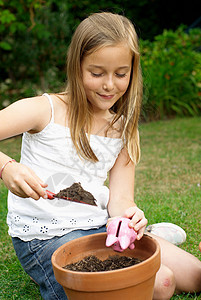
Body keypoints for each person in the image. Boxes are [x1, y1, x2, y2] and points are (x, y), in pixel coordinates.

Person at [0, 12, 200, 300]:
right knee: (161, 283)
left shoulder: (122, 128)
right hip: (46, 238)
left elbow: (120, 201)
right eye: (96, 73)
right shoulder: (44, 110)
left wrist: (129, 217)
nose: (109, 85)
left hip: (97, 227)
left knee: (194, 276)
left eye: (121, 74)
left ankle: (147, 235)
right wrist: (7, 167)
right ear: (76, 66)